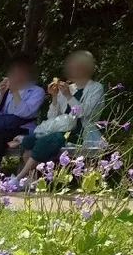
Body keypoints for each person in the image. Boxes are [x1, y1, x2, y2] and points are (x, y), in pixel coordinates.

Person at [13, 50, 104, 185]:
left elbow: (86, 113)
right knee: (29, 140)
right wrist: (55, 96)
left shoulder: (96, 88)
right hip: (62, 129)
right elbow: (53, 118)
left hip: (80, 133)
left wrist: (68, 96)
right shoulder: (67, 88)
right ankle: (32, 179)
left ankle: (18, 179)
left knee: (45, 141)